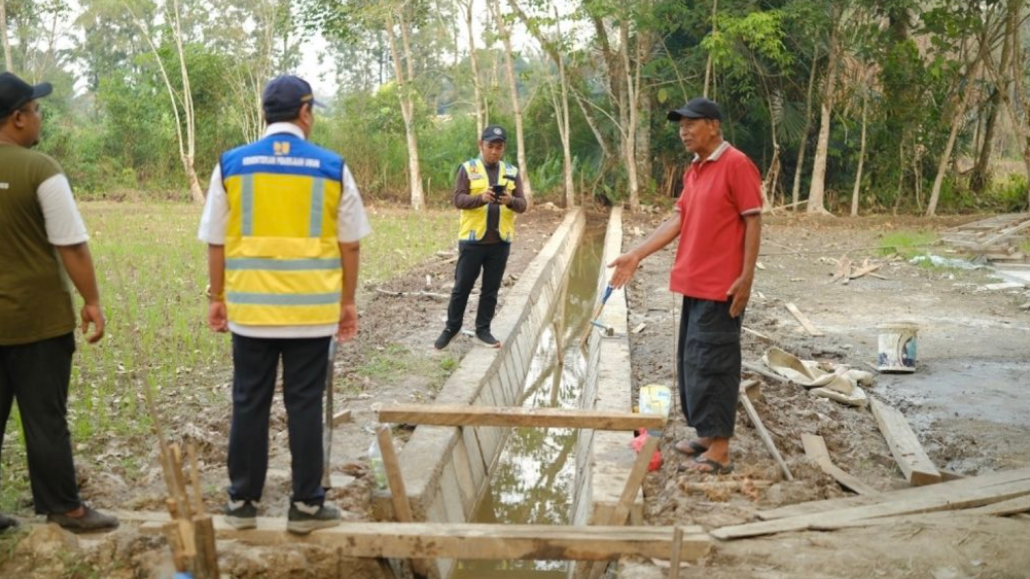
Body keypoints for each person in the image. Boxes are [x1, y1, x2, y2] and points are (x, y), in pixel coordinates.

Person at [198, 75, 371, 534]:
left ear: (265, 114)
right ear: (305, 113)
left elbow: (216, 240)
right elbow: (350, 244)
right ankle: (307, 507)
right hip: (312, 313)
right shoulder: (331, 167)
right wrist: (348, 302)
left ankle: (242, 503)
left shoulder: (232, 164)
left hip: (251, 312)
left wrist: (217, 298)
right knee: (305, 405)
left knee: (248, 402)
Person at [608, 97, 762, 475]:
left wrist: (746, 277)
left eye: (691, 124)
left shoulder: (736, 164)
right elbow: (678, 219)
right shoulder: (695, 170)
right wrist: (636, 254)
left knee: (716, 364)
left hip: (722, 288)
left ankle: (720, 451)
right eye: (681, 125)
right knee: (694, 363)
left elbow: (753, 219)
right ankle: (707, 436)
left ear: (714, 125)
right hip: (694, 285)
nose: (683, 131)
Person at [0, 72, 118, 533]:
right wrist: (93, 300)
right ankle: (63, 508)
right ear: (17, 118)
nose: (39, 118)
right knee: (45, 418)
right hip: (38, 320)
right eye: (36, 110)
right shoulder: (41, 170)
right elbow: (71, 244)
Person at [434, 125, 528, 350]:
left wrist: (510, 201)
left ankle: (483, 330)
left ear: (504, 148)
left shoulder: (511, 171)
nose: (494, 151)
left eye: (499, 147)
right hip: (473, 241)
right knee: (462, 288)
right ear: (481, 145)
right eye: (490, 146)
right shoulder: (468, 169)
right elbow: (458, 200)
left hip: (500, 242)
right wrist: (482, 198)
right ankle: (452, 328)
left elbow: (523, 204)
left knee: (491, 290)